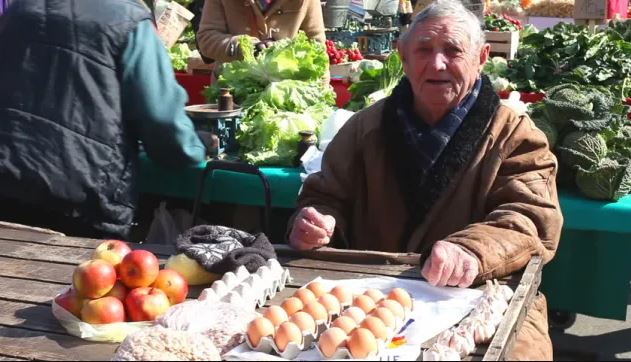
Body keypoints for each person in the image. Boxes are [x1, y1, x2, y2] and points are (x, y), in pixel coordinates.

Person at [287, 0, 563, 359]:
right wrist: (314, 221)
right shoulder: (365, 128)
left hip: (483, 299)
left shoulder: (516, 136)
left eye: (452, 50)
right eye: (423, 50)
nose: (437, 64)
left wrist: (472, 250)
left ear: (480, 57)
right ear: (402, 57)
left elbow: (531, 219)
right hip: (375, 297)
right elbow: (325, 196)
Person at [0, 0, 206, 240]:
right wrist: (195, 147)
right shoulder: (130, 21)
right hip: (85, 199)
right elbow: (163, 125)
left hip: (9, 187)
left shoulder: (20, 9)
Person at [195, 0, 326, 64]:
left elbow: (317, 48)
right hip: (233, 93)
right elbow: (206, 38)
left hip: (287, 94)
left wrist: (320, 95)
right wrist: (245, 47)